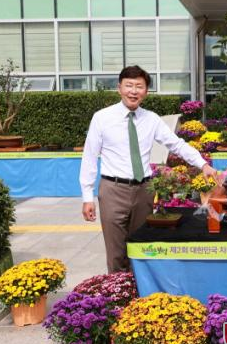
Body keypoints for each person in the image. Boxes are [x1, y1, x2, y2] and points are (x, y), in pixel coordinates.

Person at [80, 65, 217, 273]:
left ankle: (140, 290)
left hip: (144, 191)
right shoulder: (102, 118)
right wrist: (87, 197)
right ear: (119, 88)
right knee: (116, 254)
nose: (133, 91)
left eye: (139, 86)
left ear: (146, 91)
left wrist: (202, 164)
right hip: (113, 190)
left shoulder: (151, 119)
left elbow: (176, 144)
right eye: (129, 85)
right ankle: (118, 290)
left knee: (141, 248)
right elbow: (89, 157)